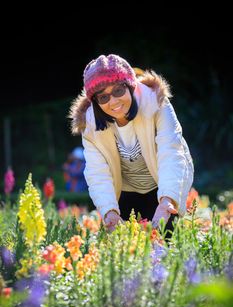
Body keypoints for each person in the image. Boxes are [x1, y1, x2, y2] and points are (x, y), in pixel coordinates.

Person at [68, 54, 194, 232]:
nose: (113, 101)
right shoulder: (90, 125)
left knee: (168, 243)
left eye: (118, 90)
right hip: (125, 193)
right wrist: (109, 211)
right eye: (103, 97)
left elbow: (171, 152)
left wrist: (167, 200)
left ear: (130, 86)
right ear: (95, 102)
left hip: (162, 185)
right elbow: (97, 172)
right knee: (128, 251)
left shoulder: (156, 103)